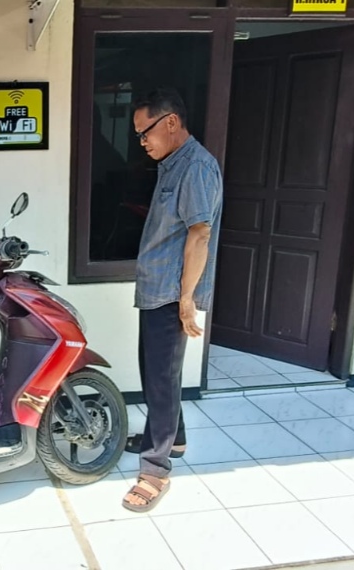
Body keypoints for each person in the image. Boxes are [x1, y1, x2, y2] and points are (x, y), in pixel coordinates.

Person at [121, 88, 223, 513]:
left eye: (144, 132)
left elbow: (200, 234)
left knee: (161, 380)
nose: (141, 141)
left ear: (171, 122)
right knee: (157, 375)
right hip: (156, 288)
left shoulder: (196, 167)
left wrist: (186, 300)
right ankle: (173, 439)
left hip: (170, 294)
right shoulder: (172, 164)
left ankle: (155, 469)